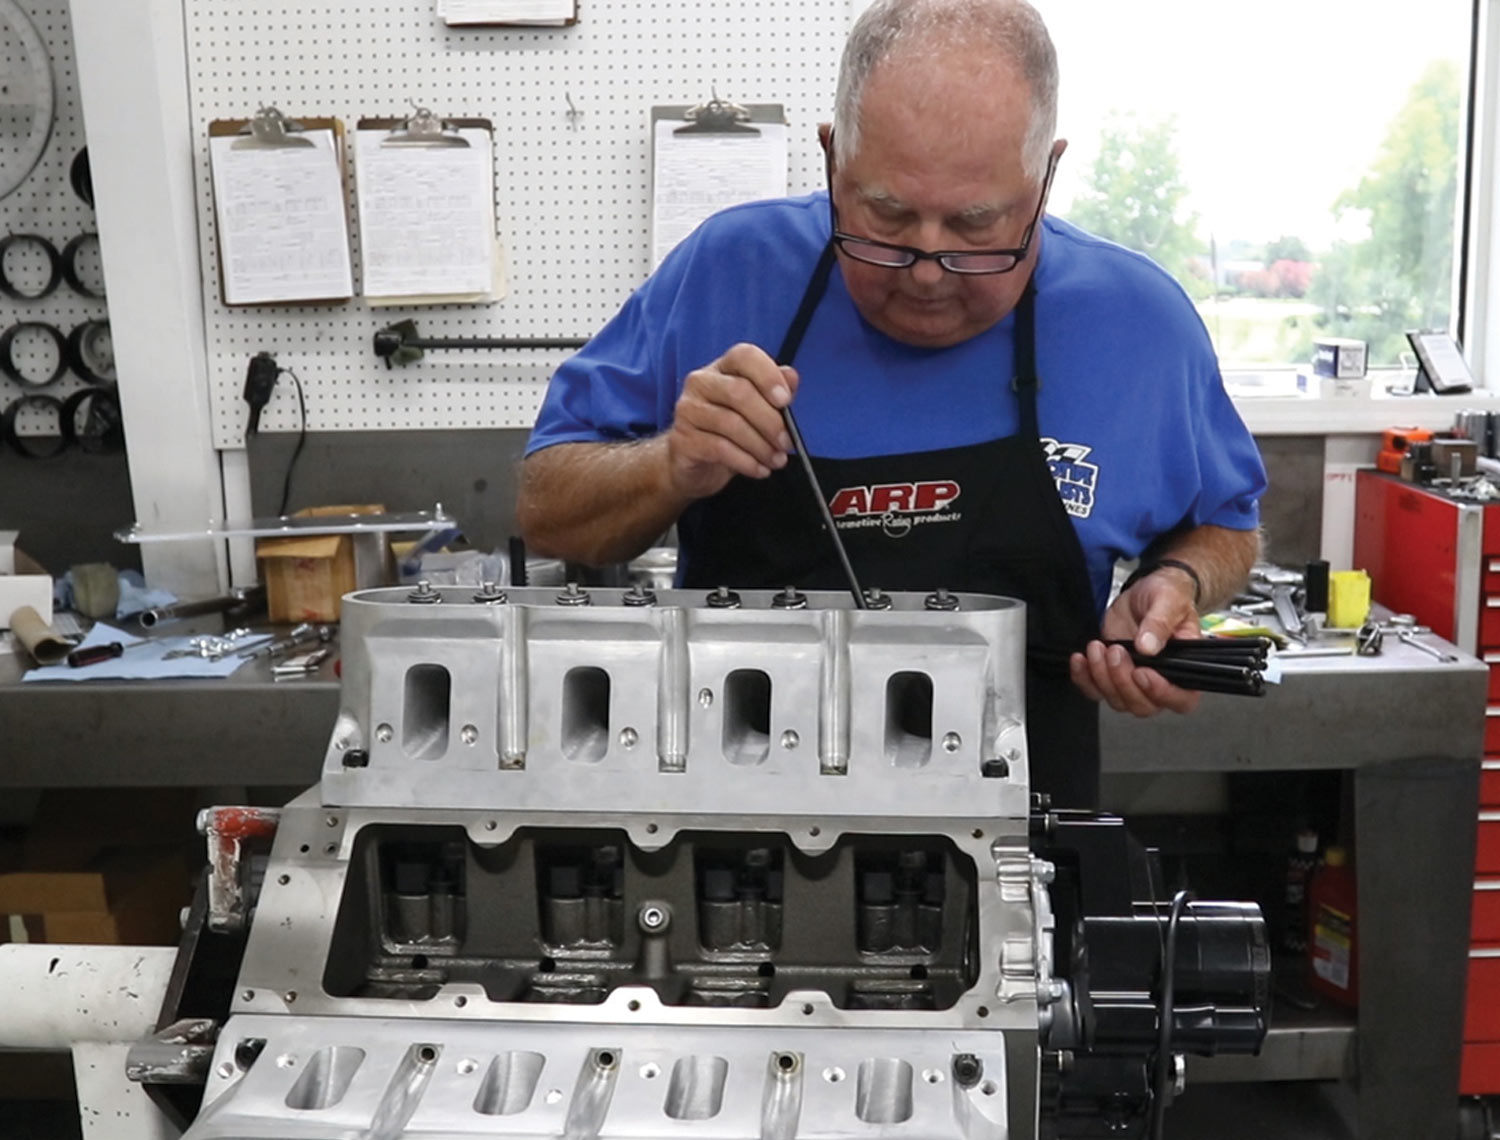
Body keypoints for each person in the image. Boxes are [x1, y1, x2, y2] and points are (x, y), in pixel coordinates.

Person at [517, 0, 1266, 807]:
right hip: (735, 854)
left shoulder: (1138, 324)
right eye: (887, 217)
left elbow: (1229, 522)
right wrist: (670, 465)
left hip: (1019, 864)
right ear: (833, 158)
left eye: (976, 227)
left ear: (1045, 176)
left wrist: (1177, 581)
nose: (927, 271)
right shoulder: (727, 270)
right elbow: (546, 509)